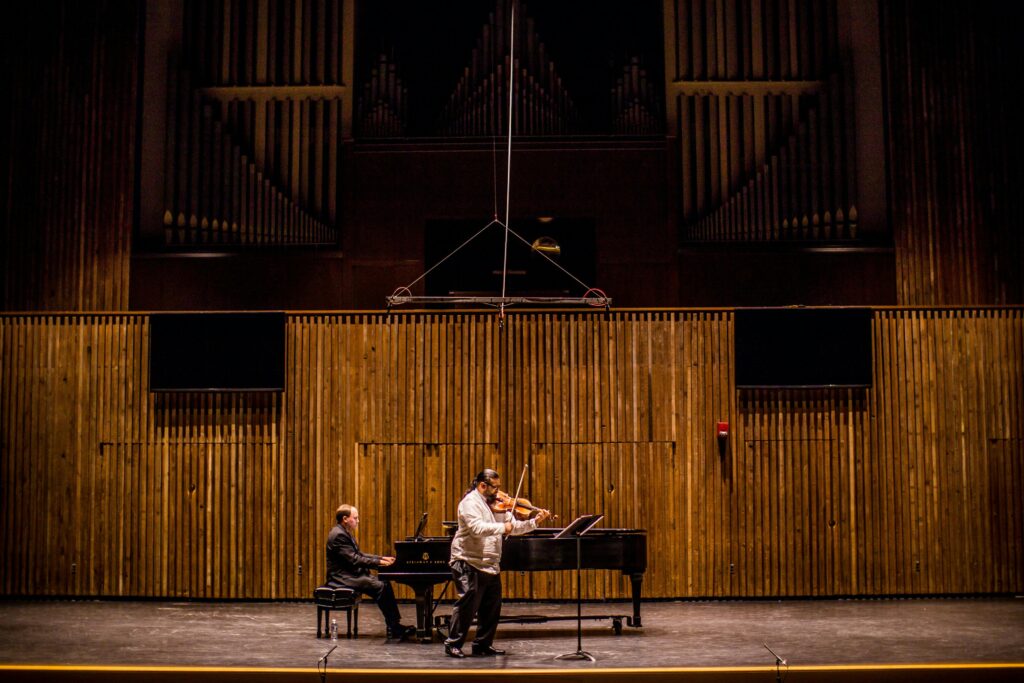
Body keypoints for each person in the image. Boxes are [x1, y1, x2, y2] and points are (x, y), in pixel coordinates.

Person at [443, 469, 551, 658]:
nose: (500, 493)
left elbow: (514, 527)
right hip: (467, 560)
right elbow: (476, 528)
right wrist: (503, 527)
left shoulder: (498, 505)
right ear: (482, 485)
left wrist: (534, 521)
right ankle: (452, 643)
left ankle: (483, 644)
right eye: (495, 487)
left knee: (491, 607)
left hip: (490, 563)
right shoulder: (469, 503)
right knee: (467, 604)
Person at [325, 504, 416, 640]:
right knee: (380, 586)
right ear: (345, 519)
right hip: (341, 577)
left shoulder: (343, 532)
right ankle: (394, 627)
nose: (358, 521)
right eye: (355, 518)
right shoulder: (338, 535)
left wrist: (381, 558)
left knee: (384, 583)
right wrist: (379, 563)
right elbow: (355, 560)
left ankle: (394, 625)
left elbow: (359, 554)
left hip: (349, 574)